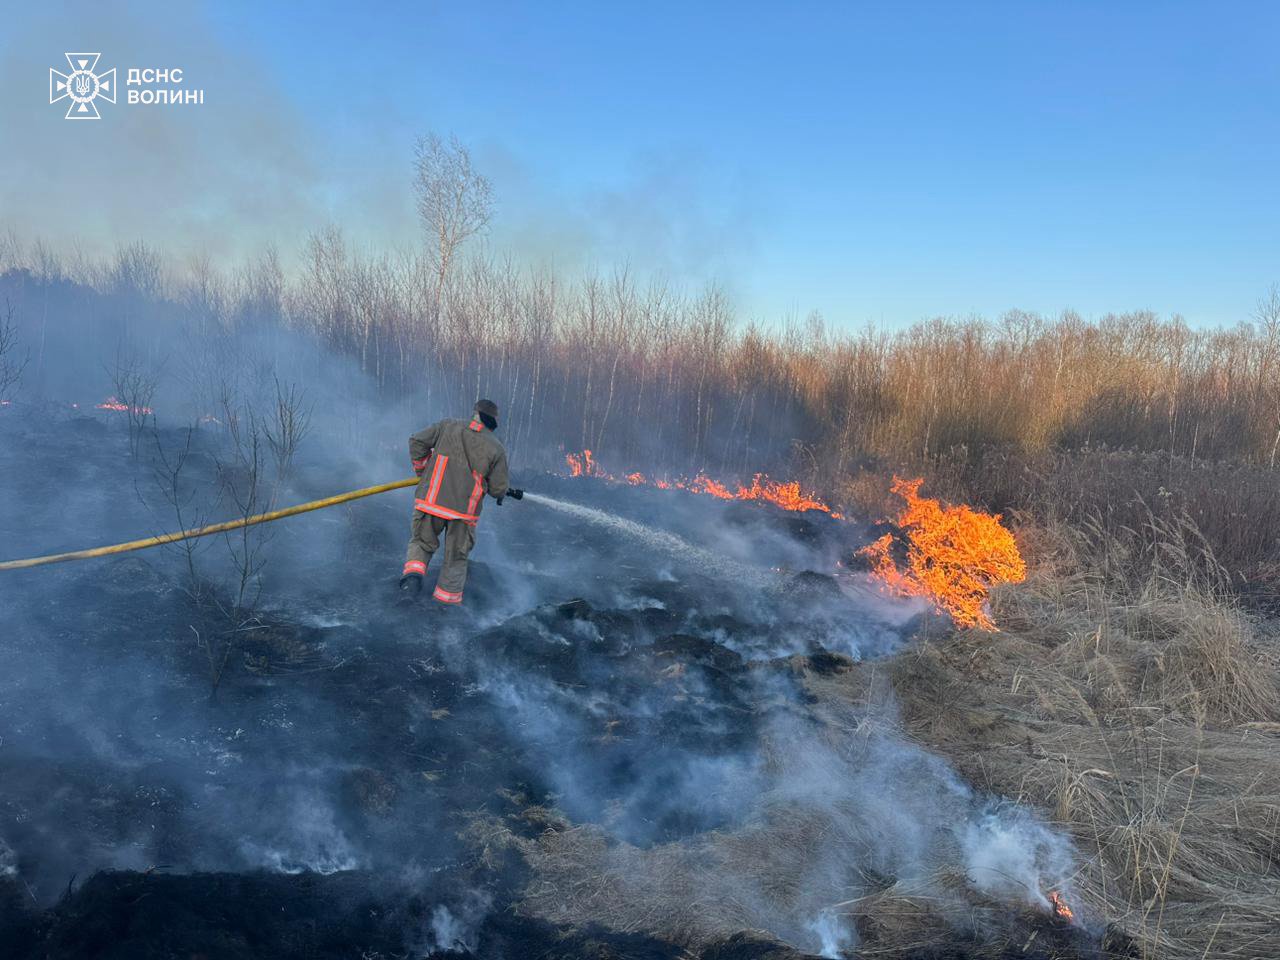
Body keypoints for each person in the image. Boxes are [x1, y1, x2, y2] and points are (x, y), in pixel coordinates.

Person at [399, 399, 522, 604]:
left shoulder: (447, 426)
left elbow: (417, 441)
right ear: (493, 421)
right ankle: (444, 605)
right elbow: (498, 489)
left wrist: (422, 470)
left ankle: (411, 582)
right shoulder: (496, 447)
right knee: (456, 558)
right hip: (463, 513)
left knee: (421, 542)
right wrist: (501, 491)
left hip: (431, 502)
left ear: (475, 413)